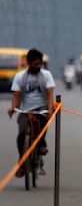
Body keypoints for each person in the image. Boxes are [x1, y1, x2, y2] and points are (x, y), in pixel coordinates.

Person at [7, 49, 55, 177]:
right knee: (22, 133)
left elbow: (50, 94)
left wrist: (50, 109)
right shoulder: (20, 76)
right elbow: (16, 95)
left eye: (40, 64)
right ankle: (22, 162)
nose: (38, 66)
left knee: (42, 125)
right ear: (28, 63)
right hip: (25, 109)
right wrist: (13, 108)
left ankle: (41, 144)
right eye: (35, 64)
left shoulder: (46, 75)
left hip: (42, 108)